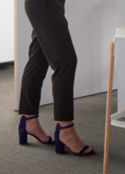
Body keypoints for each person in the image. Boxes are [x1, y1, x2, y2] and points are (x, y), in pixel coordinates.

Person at [17, 0, 95, 156]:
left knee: (38, 59)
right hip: (45, 4)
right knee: (65, 62)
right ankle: (66, 130)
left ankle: (29, 120)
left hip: (47, 4)